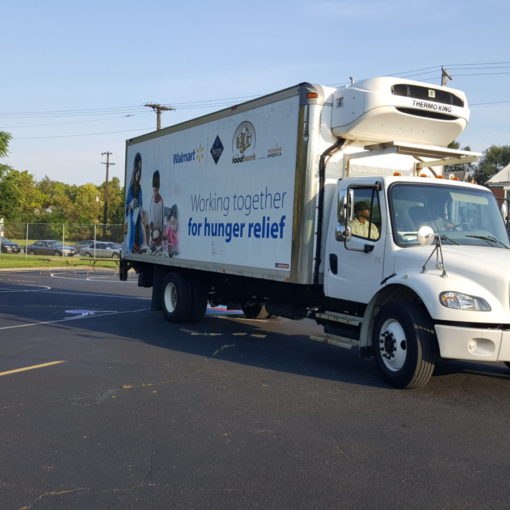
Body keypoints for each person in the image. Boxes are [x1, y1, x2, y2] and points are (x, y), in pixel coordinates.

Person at [125, 152, 146, 253]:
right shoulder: (130, 188)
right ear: (134, 170)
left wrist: (142, 211)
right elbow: (125, 208)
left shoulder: (140, 189)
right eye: (137, 169)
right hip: (132, 231)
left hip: (138, 229)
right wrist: (130, 205)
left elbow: (141, 206)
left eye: (140, 170)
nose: (139, 173)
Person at [149, 170, 164, 249]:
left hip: (159, 231)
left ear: (158, 189)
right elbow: (151, 216)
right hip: (153, 230)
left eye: (156, 190)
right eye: (153, 191)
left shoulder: (161, 202)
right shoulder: (151, 200)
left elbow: (161, 218)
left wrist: (160, 231)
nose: (155, 193)